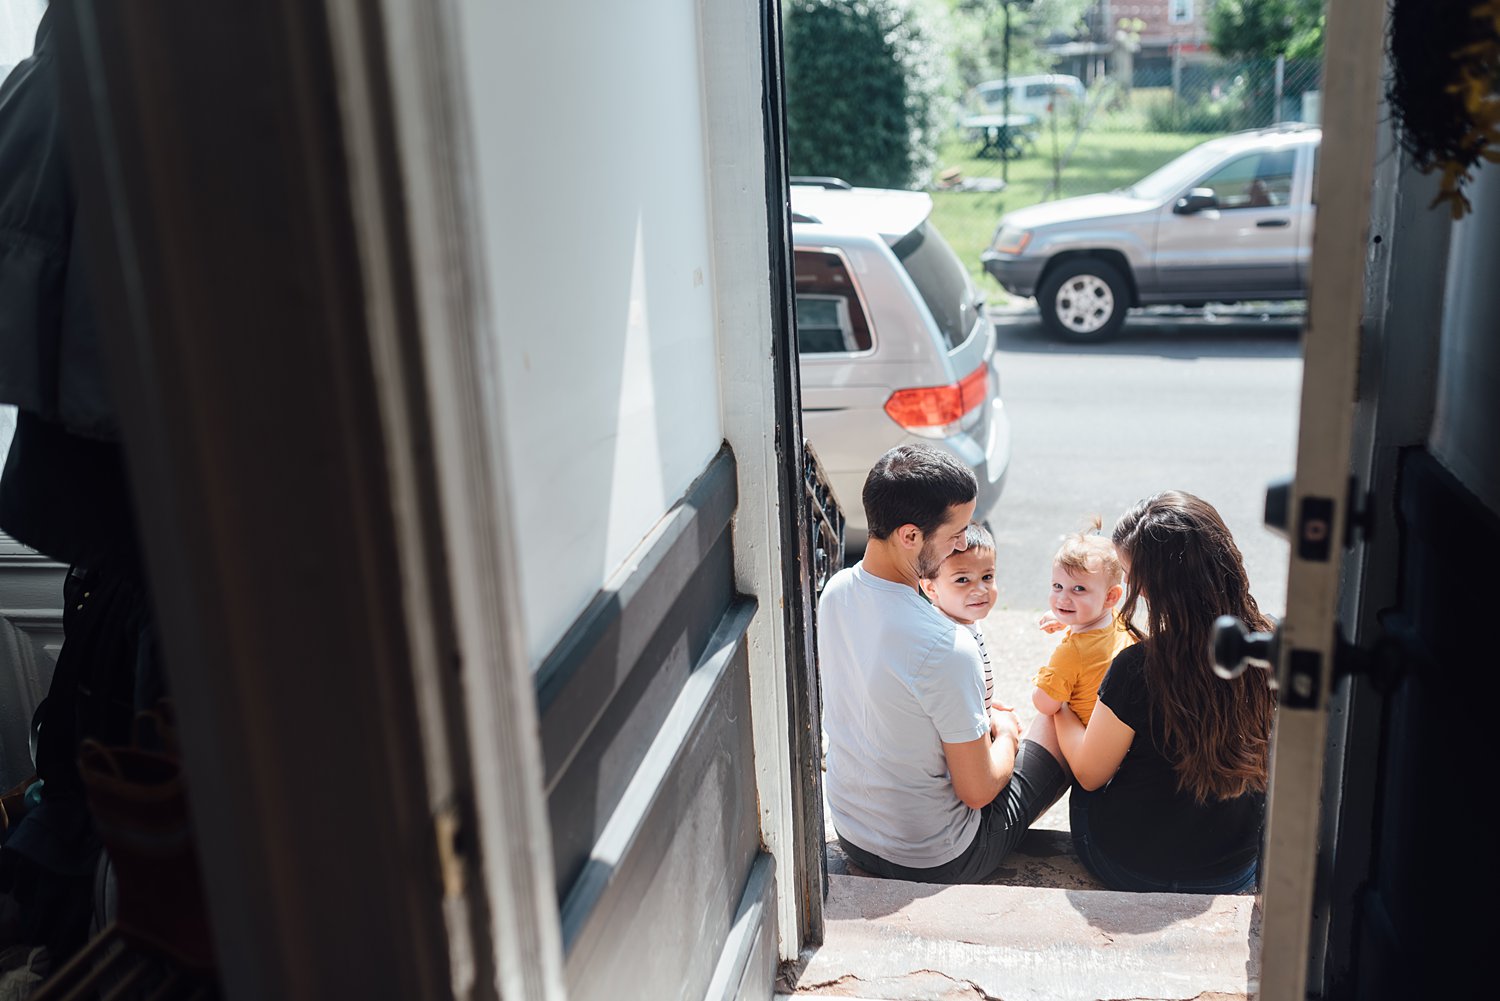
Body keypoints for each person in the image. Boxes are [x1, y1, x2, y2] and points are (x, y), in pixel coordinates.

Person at [819, 444, 1068, 883]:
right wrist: (1007, 735)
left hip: (853, 831)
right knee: (1056, 719)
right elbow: (976, 791)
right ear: (910, 536)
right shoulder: (946, 645)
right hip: (938, 857)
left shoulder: (836, 591)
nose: (963, 543)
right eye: (956, 533)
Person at [1055, 491, 1274, 894]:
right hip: (1232, 868)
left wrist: (1061, 709)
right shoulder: (1269, 643)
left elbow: (1088, 774)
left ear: (1154, 588)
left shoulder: (1139, 667)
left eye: (1128, 574)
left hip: (1134, 866)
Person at [1030, 519, 1135, 726]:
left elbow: (1045, 705)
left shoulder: (1072, 653)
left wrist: (1045, 677)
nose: (1062, 599)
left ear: (1110, 597)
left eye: (1079, 589)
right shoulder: (1117, 620)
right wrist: (1067, 620)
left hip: (1087, 737)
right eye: (1057, 586)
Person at [918, 523, 999, 711]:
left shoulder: (961, 622)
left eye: (987, 577)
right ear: (930, 588)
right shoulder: (949, 642)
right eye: (962, 580)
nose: (980, 590)